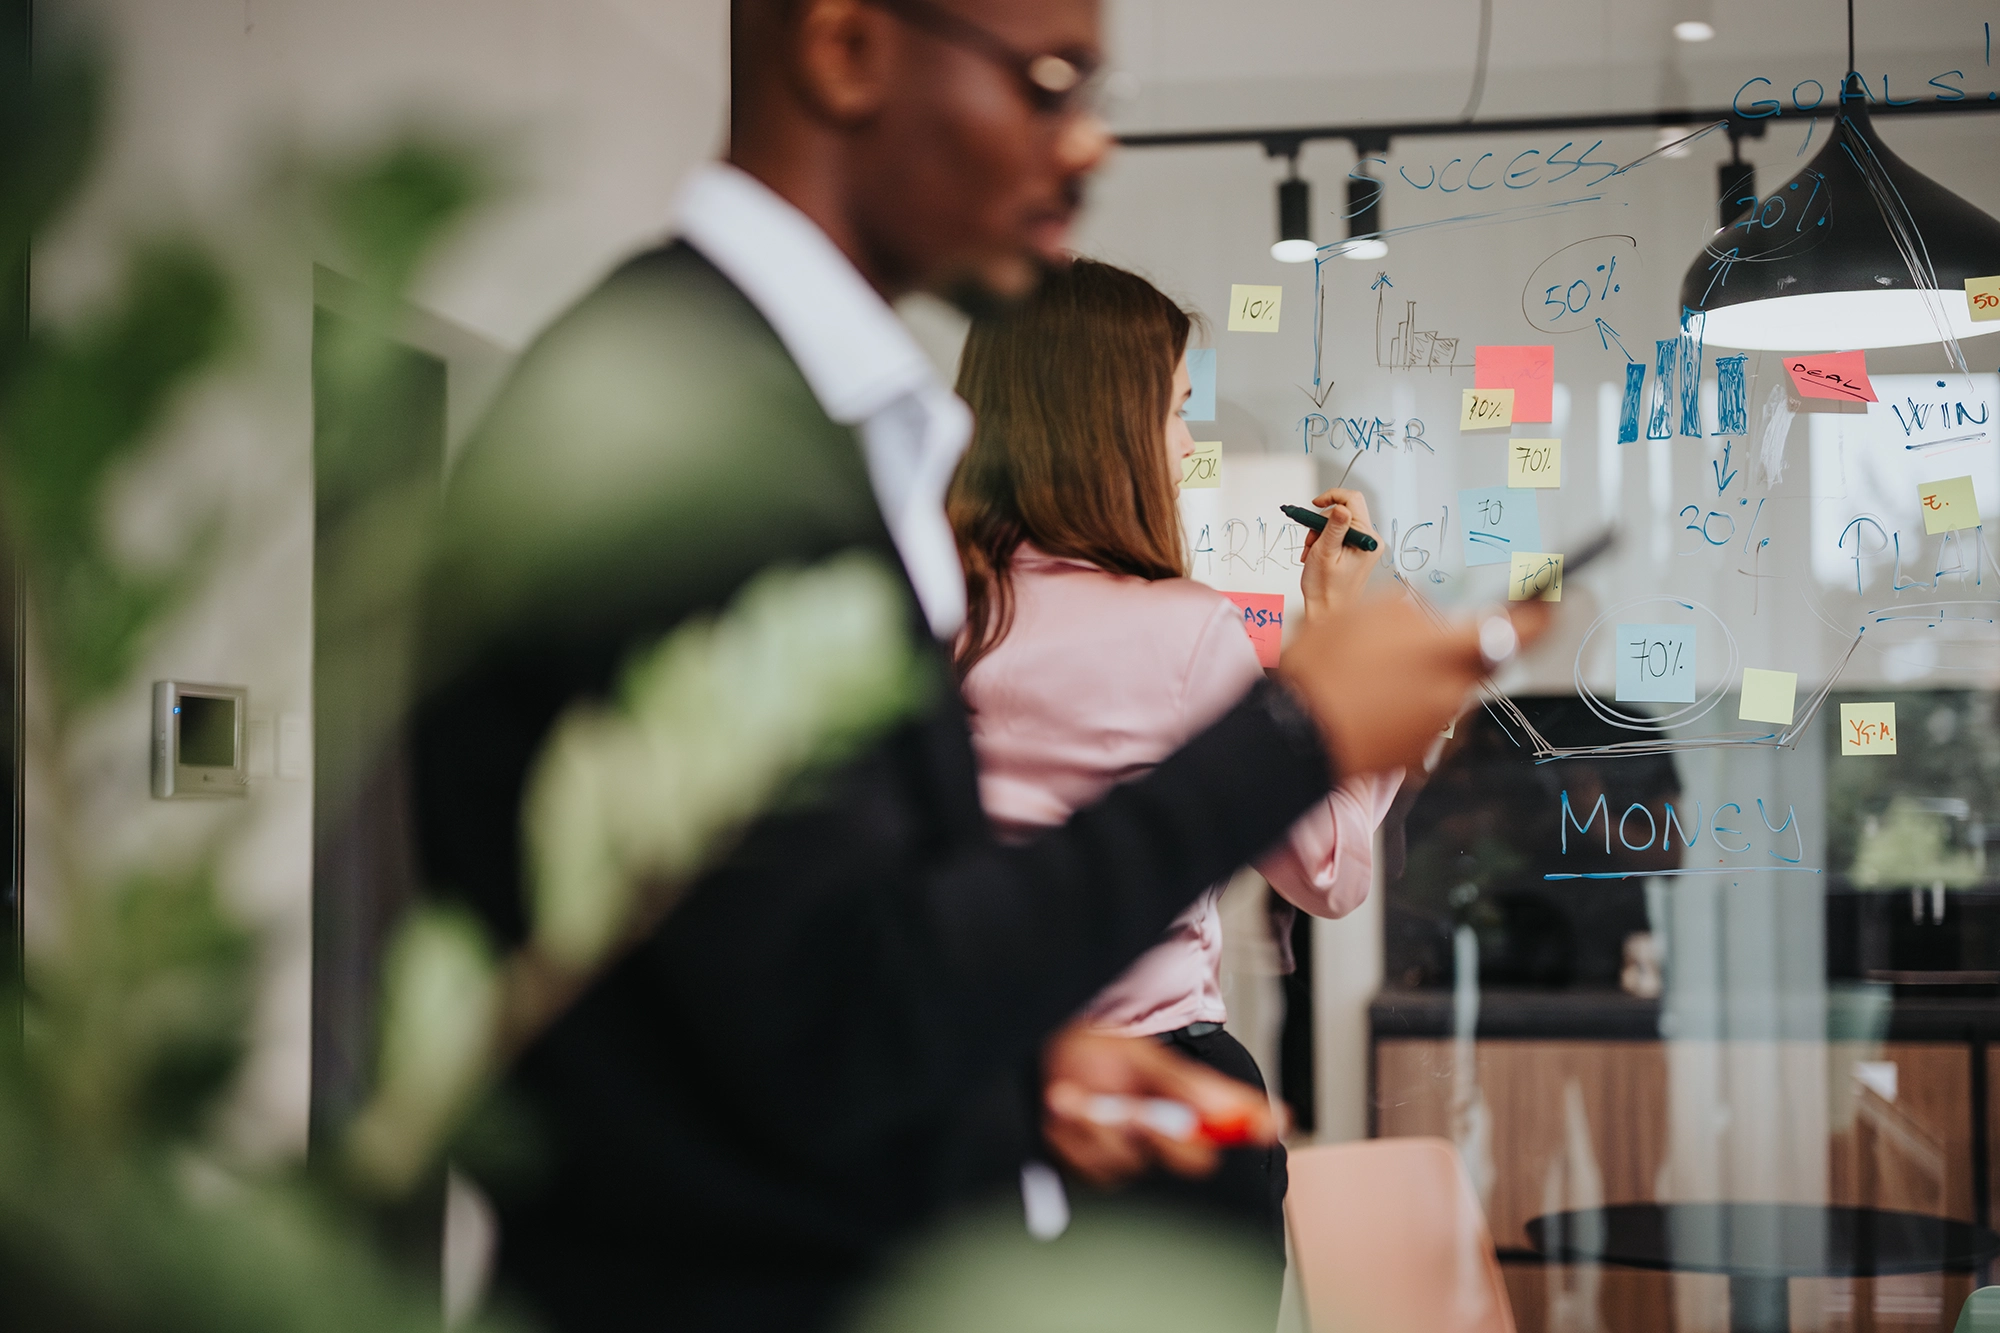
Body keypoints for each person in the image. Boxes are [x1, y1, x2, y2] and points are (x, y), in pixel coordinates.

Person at [408, 1, 1542, 1329]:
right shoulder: (688, 434)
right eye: (1047, 82)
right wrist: (1301, 732)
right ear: (847, 49)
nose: (1085, 148)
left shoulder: (813, 443)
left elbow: (777, 988)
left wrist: (1018, 1086)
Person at [949, 258, 1401, 1271]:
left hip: (967, 1107)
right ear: (1102, 428)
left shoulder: (927, 618)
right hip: (1163, 1110)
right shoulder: (1186, 633)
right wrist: (1338, 645)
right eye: (1172, 410)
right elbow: (1326, 872)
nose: (1183, 443)